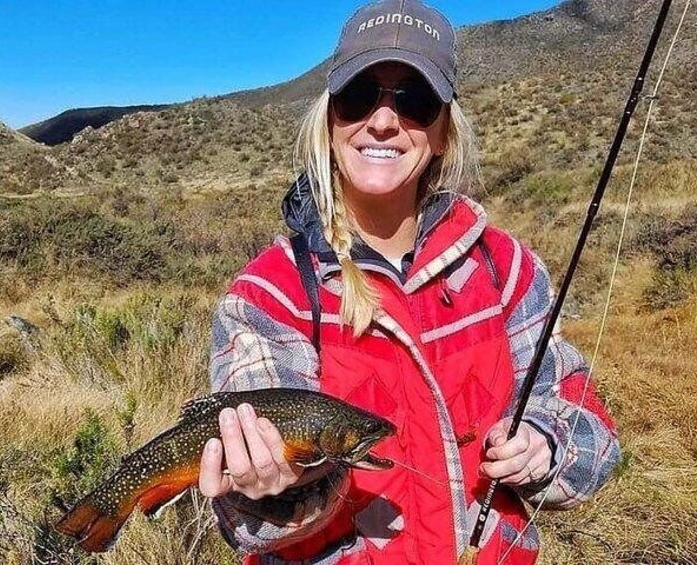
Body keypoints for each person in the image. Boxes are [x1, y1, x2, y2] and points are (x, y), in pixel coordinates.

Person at [198, 1, 620, 563]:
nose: (382, 120)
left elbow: (592, 433)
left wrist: (545, 443)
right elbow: (257, 526)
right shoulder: (269, 296)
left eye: (414, 101)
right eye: (359, 96)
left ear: (444, 131)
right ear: (329, 120)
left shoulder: (506, 268)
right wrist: (271, 490)